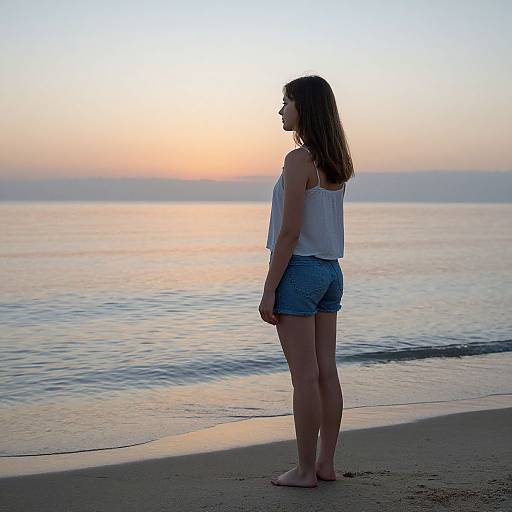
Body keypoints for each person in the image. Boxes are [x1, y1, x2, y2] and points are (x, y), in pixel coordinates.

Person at [259, 75, 354, 488]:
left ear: (305, 108)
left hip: (300, 272)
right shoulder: (336, 163)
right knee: (326, 371)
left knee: (304, 376)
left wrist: (268, 287)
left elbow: (290, 231)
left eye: (286, 102)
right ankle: (325, 464)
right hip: (331, 272)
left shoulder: (298, 160)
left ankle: (303, 471)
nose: (281, 111)